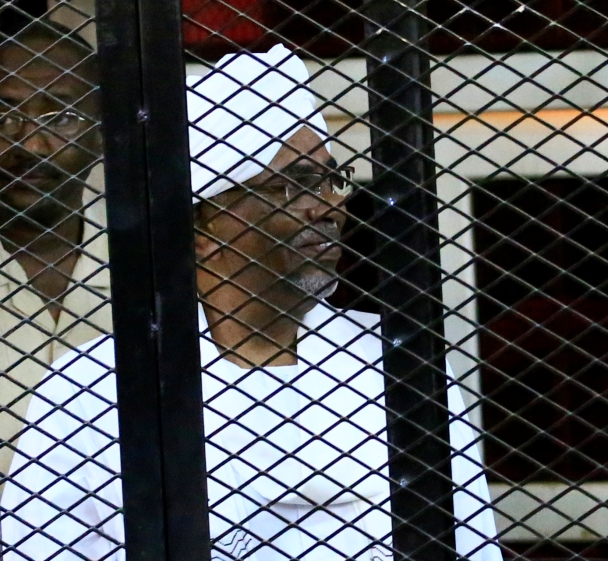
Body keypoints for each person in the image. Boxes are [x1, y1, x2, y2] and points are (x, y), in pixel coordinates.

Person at [0, 45, 501, 561]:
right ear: (202, 227)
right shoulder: (93, 388)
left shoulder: (399, 364)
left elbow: (471, 545)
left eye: (332, 181)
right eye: (294, 186)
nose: (330, 207)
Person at [0, 20, 108, 479]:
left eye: (60, 117)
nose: (28, 143)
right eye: (3, 117)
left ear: (102, 133)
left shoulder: (161, 267)